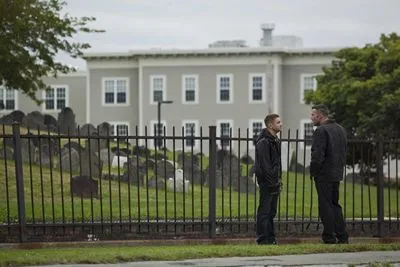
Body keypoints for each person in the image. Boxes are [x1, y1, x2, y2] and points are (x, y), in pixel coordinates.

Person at [310, 104, 349, 244]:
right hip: (337, 173)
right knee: (335, 204)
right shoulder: (340, 129)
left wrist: (314, 171)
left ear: (320, 115)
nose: (311, 117)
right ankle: (342, 236)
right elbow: (344, 152)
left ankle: (329, 237)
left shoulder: (321, 131)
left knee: (325, 205)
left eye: (313, 115)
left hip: (324, 174)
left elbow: (317, 154)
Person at [254, 113, 283, 245]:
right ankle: (263, 239)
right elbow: (265, 166)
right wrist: (272, 181)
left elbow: (276, 164)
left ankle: (271, 238)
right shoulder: (264, 142)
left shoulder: (275, 140)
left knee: (271, 212)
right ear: (270, 125)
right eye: (278, 122)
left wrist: (278, 180)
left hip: (274, 182)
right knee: (264, 211)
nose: (281, 124)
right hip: (267, 182)